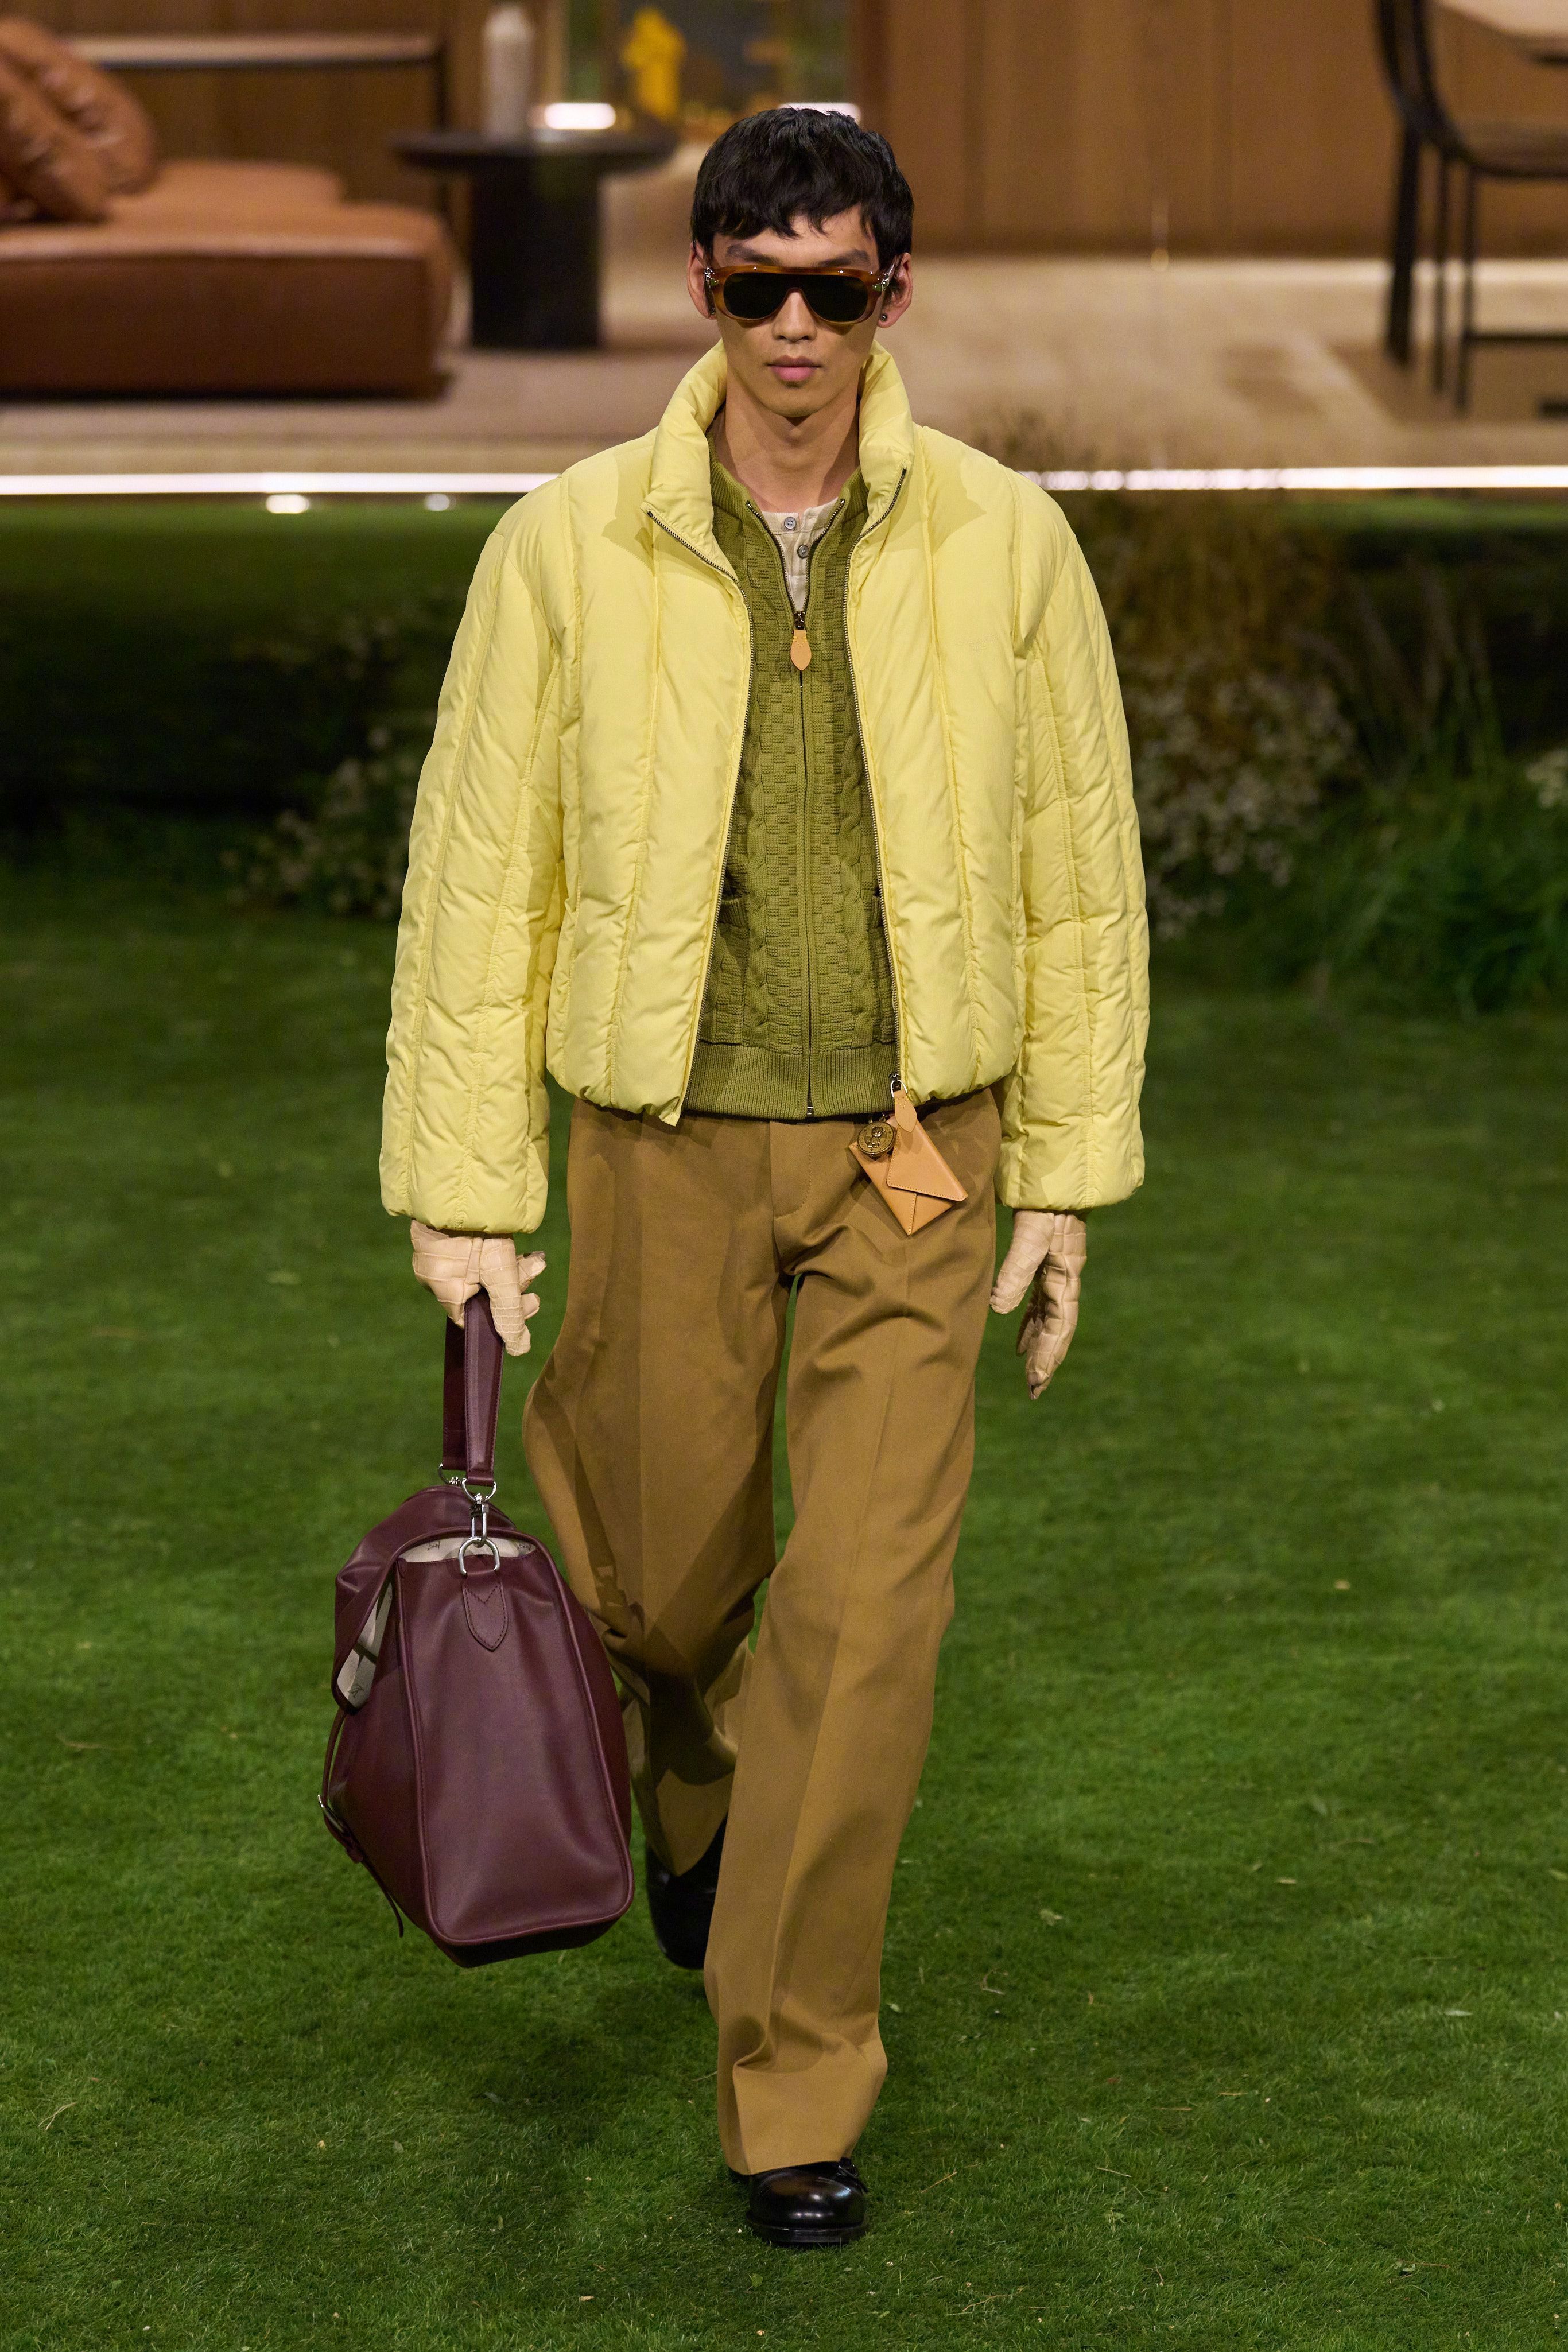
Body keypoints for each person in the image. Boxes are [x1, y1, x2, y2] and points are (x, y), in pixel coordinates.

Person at [382, 107, 1147, 2251]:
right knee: (655, 1586)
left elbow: (1077, 872)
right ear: (702, 288)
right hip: (660, 1142)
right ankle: (694, 1773)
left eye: (833, 289)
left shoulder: (1004, 546)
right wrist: (466, 1189)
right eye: (753, 286)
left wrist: (1063, 1173)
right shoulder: (568, 548)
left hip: (922, 1150)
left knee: (869, 1614)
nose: (793, 327)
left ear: (894, 296)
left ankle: (790, 2076)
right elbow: (481, 884)